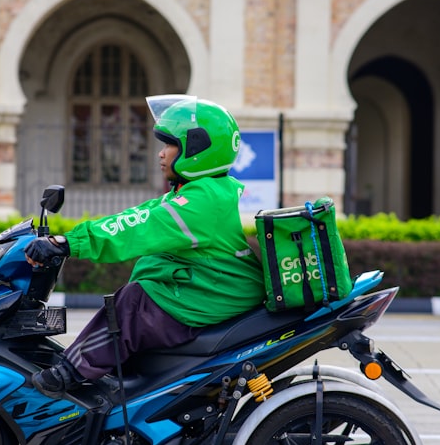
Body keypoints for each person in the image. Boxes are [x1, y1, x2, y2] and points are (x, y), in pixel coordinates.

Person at [24, 95, 266, 397]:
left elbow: (139, 228)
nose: (161, 154)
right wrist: (67, 237)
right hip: (207, 294)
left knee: (134, 303)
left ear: (197, 150)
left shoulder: (202, 201)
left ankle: (71, 370)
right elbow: (136, 216)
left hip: (210, 299)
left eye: (169, 146)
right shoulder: (199, 193)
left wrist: (70, 243)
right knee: (139, 297)